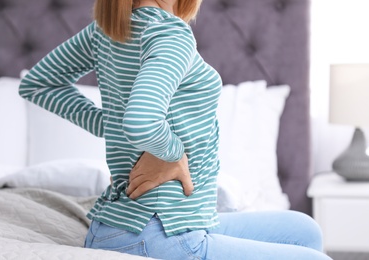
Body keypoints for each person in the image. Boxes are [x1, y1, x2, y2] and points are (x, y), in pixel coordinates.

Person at [19, 0, 332, 259]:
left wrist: (108, 124)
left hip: (129, 225)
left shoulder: (106, 31)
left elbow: (38, 84)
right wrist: (172, 153)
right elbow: (141, 120)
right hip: (154, 231)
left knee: (305, 230)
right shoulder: (170, 35)